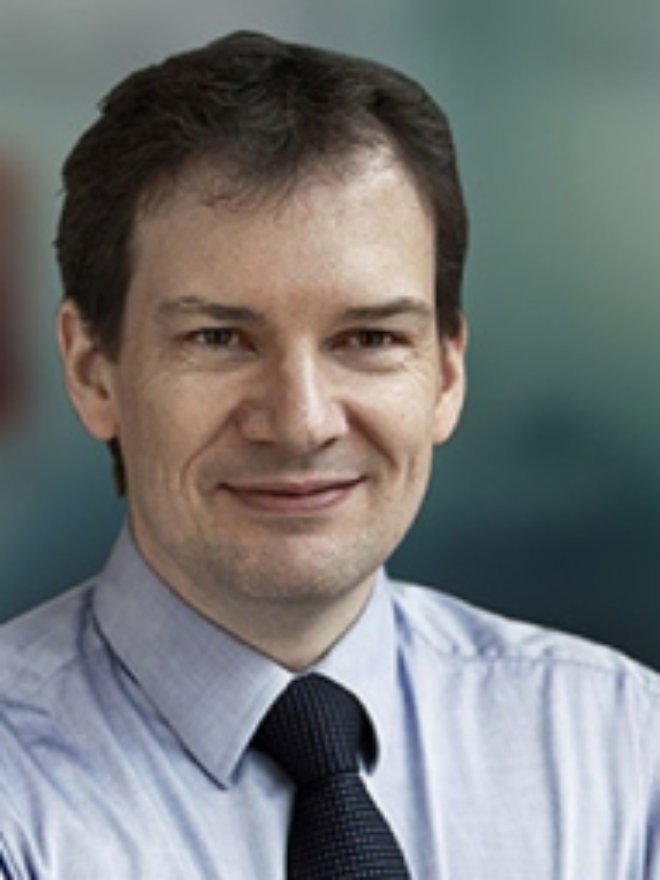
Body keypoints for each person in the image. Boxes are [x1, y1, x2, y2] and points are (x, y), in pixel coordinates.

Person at [0, 30, 659, 880]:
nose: (303, 422)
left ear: (446, 374)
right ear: (94, 371)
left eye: (370, 338)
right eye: (220, 338)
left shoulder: (621, 749)